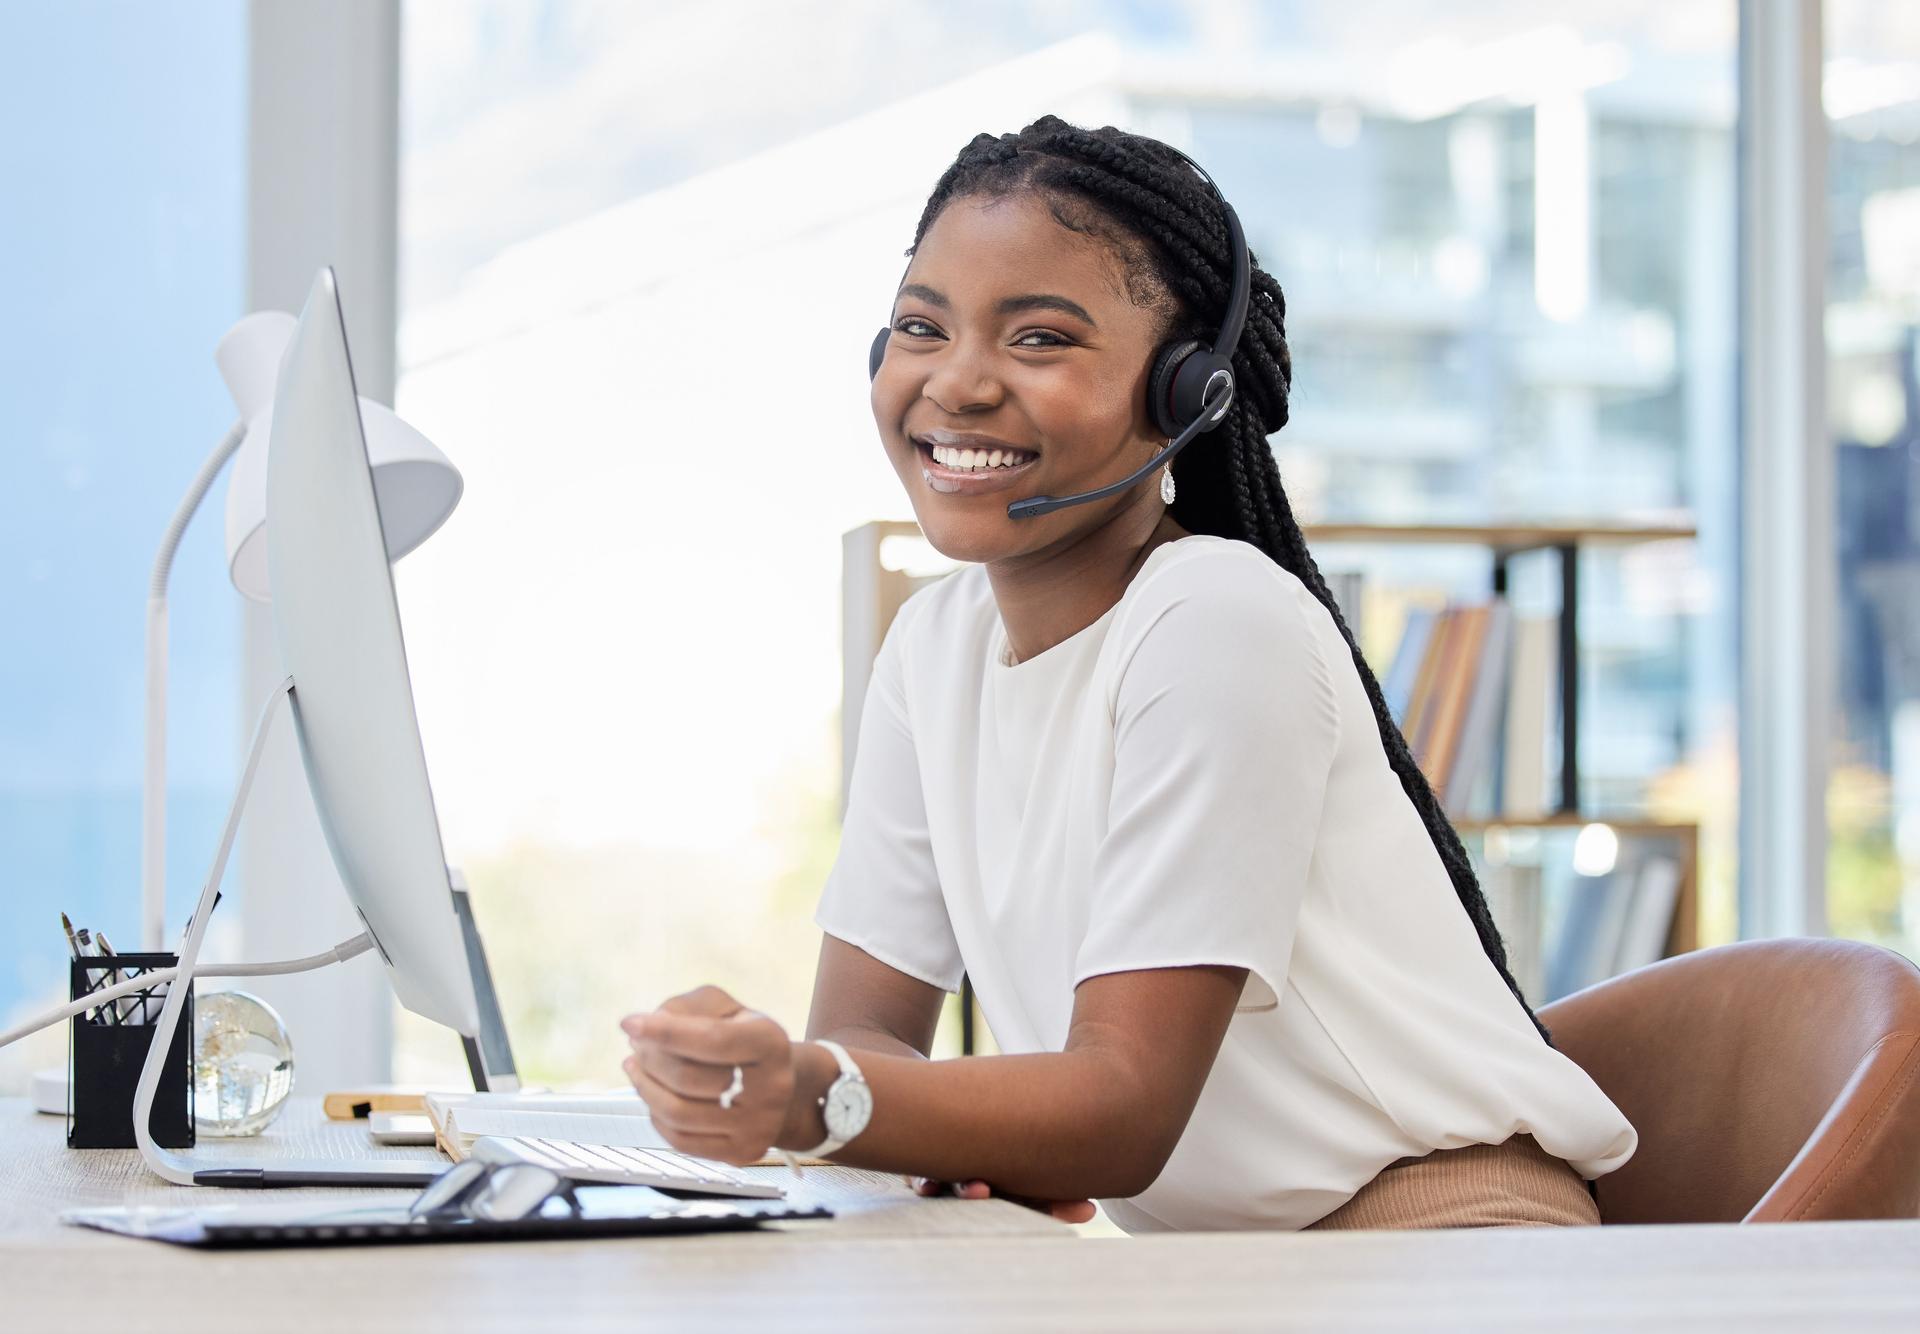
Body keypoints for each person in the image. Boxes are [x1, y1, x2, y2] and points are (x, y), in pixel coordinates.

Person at [621, 115, 1635, 1232]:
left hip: (1443, 1241)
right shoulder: (932, 647)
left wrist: (811, 1095)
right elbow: (867, 1034)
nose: (955, 383)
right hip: (1227, 1270)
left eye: (1041, 339)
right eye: (920, 325)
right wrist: (845, 1097)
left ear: (1185, 391)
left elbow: (1121, 1110)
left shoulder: (1216, 620)